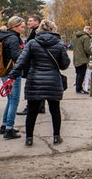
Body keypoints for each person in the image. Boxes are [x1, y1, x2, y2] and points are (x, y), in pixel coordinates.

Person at [6, 19, 70, 147]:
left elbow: (21, 61)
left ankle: (29, 139)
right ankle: (56, 137)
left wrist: (11, 77)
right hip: (53, 81)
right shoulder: (59, 44)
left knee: (32, 111)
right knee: (54, 110)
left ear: (40, 29)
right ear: (53, 29)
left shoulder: (32, 43)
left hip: (34, 81)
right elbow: (64, 65)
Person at [0, 16, 26, 139]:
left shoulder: (4, 36)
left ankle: (5, 124)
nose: (23, 29)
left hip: (4, 71)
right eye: (22, 27)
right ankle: (9, 129)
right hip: (12, 73)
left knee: (10, 99)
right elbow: (16, 57)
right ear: (15, 26)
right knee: (14, 100)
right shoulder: (13, 38)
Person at [16, 15, 46, 115]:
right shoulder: (35, 32)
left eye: (30, 21)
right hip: (37, 63)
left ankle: (32, 107)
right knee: (40, 86)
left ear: (37, 22)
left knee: (33, 86)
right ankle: (40, 107)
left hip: (35, 64)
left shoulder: (37, 33)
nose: (28, 23)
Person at [72, 25, 92, 94]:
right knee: (81, 74)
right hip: (82, 59)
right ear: (89, 30)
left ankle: (77, 88)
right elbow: (87, 49)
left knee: (78, 74)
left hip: (76, 58)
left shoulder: (75, 37)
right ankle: (79, 89)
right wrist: (91, 54)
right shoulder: (86, 37)